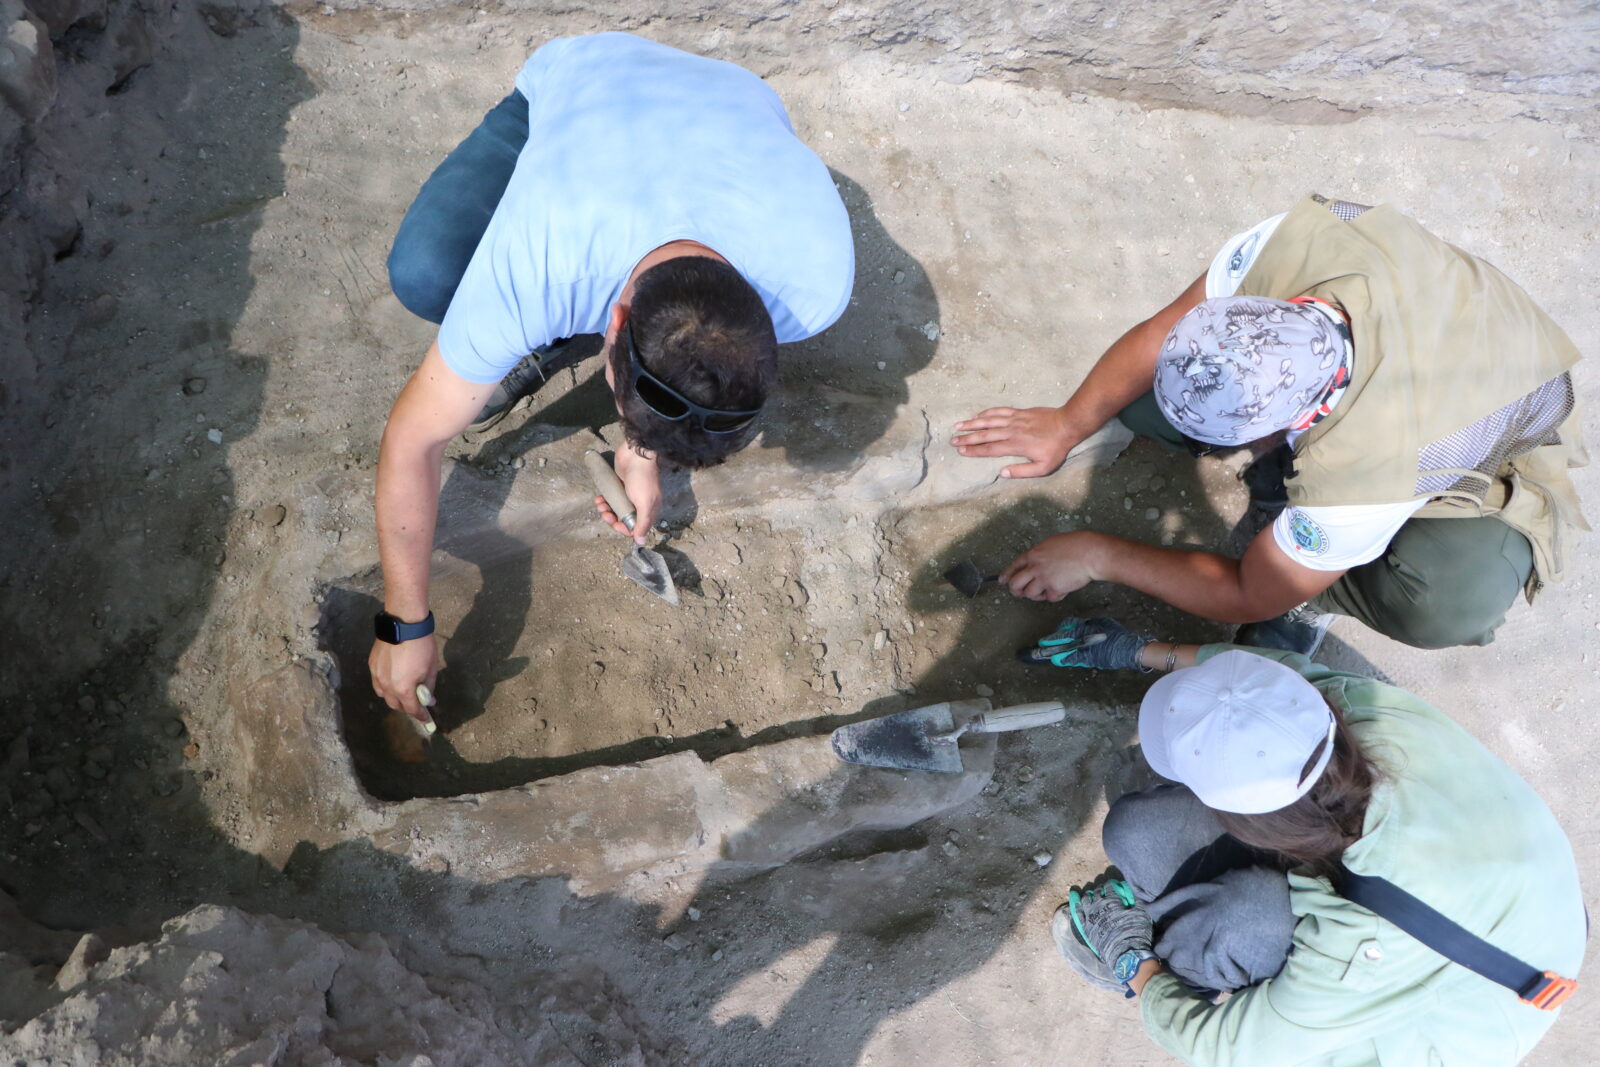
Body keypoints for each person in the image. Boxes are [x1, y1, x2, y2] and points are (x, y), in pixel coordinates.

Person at [369, 33, 855, 718]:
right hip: (589, 76)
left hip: (736, 100)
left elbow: (703, 371)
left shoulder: (814, 286)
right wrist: (403, 623)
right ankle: (553, 332)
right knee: (425, 276)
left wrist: (643, 448)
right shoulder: (538, 263)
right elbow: (412, 439)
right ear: (615, 321)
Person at [952, 195, 1586, 654]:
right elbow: (1160, 332)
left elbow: (1252, 593)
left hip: (1493, 431)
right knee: (1140, 400)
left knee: (1445, 608)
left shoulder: (1373, 470)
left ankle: (1329, 592)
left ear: (1299, 426)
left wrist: (1098, 554)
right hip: (1437, 322)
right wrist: (1067, 423)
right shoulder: (1294, 245)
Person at [1029, 617, 1585, 1066]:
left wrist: (1136, 966)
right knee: (1141, 829)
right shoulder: (1355, 709)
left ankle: (1167, 962)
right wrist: (1140, 650)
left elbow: (1227, 1047)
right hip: (1510, 887)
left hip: (1460, 997)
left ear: (1254, 819)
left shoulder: (1364, 947)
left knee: (1243, 924)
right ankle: (1176, 927)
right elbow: (1266, 674)